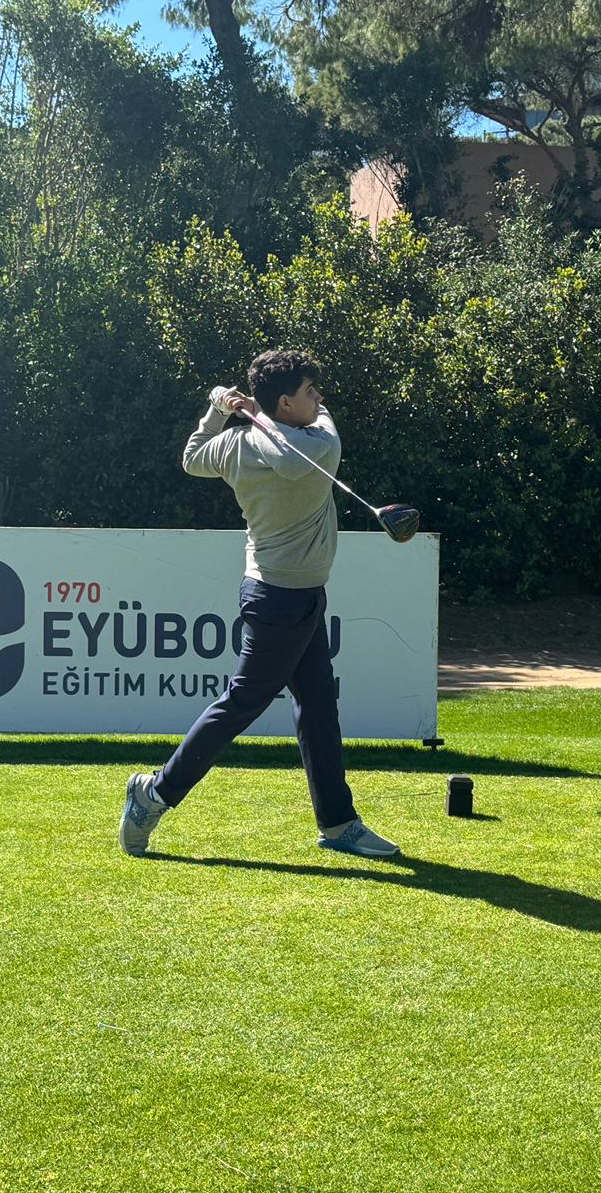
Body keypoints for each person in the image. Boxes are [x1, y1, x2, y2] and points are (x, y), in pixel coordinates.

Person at [120, 349, 400, 859]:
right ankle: (153, 793)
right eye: (311, 391)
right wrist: (253, 412)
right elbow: (302, 447)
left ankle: (338, 822)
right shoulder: (318, 445)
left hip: (290, 593)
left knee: (318, 705)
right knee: (241, 704)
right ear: (286, 403)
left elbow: (192, 456)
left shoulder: (235, 442)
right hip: (280, 601)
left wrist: (219, 408)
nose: (320, 399)